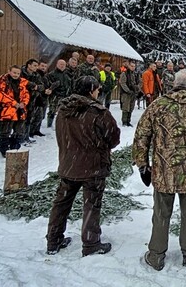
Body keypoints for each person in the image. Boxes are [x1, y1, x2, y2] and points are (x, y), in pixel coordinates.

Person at [133, 69, 186, 270]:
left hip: (163, 170)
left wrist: (142, 164)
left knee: (161, 213)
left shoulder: (158, 106)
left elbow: (141, 136)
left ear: (174, 84)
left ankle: (156, 254)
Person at [46, 76, 121, 257]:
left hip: (68, 164)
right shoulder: (98, 112)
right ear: (91, 90)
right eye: (97, 89)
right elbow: (113, 137)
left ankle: (53, 240)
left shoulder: (63, 109)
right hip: (92, 166)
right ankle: (91, 243)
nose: (98, 92)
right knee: (92, 205)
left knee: (61, 203)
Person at [0, 66, 30, 157]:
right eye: (14, 73)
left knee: (19, 131)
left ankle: (15, 147)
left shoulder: (22, 82)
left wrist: (24, 103)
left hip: (20, 110)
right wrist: (13, 103)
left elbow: (26, 94)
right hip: (7, 110)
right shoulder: (3, 81)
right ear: (9, 71)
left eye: (18, 73)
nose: (16, 75)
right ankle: (4, 149)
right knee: (5, 132)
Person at [21, 59, 45, 142]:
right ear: (29, 65)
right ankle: (20, 138)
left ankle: (26, 137)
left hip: (33, 100)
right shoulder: (21, 73)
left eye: (37, 65)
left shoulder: (36, 75)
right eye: (34, 65)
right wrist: (32, 86)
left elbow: (42, 86)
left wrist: (36, 87)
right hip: (22, 100)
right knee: (21, 120)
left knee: (29, 119)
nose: (36, 67)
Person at [45, 59, 71, 128]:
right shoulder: (51, 74)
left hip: (65, 96)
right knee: (52, 111)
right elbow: (48, 85)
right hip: (55, 96)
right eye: (61, 64)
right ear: (57, 65)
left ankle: (60, 125)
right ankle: (49, 126)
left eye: (64, 65)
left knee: (62, 111)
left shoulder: (67, 74)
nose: (62, 66)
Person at [119, 61, 141, 127]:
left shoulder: (136, 74)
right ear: (129, 66)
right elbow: (122, 83)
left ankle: (128, 121)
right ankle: (124, 121)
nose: (133, 67)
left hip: (133, 93)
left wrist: (137, 88)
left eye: (134, 66)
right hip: (126, 93)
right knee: (126, 107)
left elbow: (140, 82)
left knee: (131, 107)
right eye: (131, 66)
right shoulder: (124, 73)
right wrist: (128, 91)